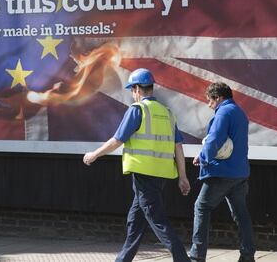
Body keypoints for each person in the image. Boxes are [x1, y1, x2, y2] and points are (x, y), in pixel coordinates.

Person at [83, 68, 191, 262]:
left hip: (143, 172)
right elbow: (178, 147)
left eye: (132, 90)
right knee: (136, 220)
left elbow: (117, 140)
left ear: (137, 89)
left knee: (157, 220)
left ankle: (182, 259)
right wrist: (182, 176)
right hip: (162, 175)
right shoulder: (167, 113)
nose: (132, 94)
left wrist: (94, 155)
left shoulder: (137, 110)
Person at [189, 82, 256, 262]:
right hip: (240, 173)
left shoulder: (223, 112)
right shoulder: (240, 113)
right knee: (241, 214)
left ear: (218, 98)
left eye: (210, 101)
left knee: (201, 207)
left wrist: (202, 158)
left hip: (222, 172)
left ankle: (197, 256)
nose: (210, 105)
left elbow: (215, 138)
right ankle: (247, 255)